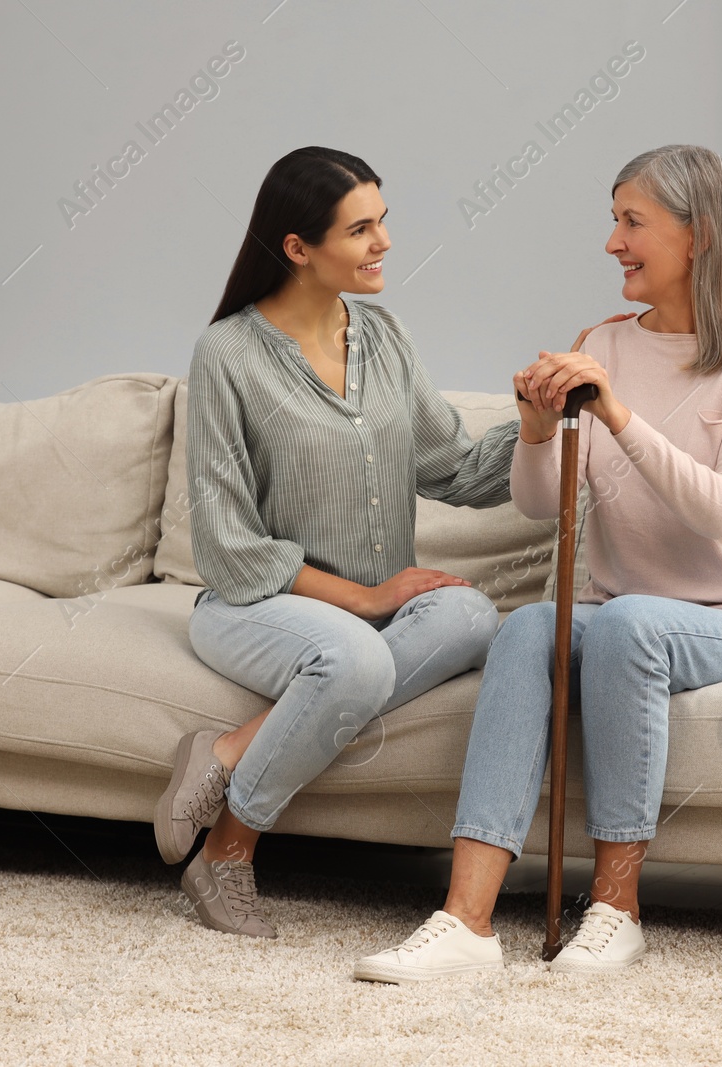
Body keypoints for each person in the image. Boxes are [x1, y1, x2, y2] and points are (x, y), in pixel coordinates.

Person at [355, 144, 722, 981]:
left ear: (700, 233)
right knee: (531, 623)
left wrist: (616, 411)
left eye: (632, 221)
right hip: (627, 617)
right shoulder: (602, 340)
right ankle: (466, 920)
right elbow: (545, 503)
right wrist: (538, 427)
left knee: (629, 624)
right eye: (613, 219)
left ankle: (615, 909)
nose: (612, 241)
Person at [156, 146, 516, 939]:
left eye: (383, 220)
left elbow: (455, 468)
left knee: (473, 616)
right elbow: (225, 544)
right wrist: (362, 598)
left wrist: (544, 414)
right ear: (297, 248)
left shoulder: (383, 337)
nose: (384, 241)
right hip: (259, 603)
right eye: (360, 229)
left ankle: (226, 750)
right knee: (355, 657)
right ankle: (227, 853)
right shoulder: (227, 355)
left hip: (372, 615)